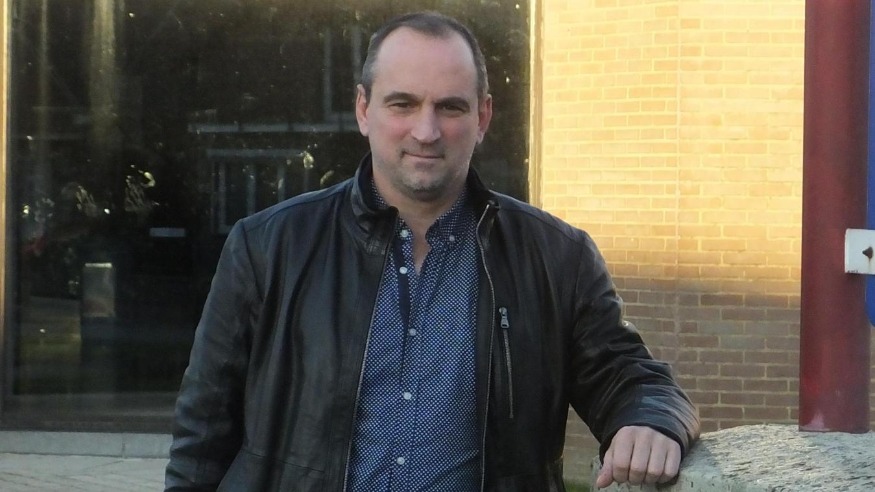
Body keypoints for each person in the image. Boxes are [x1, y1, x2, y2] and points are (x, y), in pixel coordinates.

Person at [165, 11, 699, 492]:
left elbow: (629, 376)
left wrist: (651, 420)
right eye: (403, 104)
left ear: (483, 117)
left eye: (450, 107)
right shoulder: (267, 247)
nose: (426, 130)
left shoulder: (558, 258)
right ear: (363, 109)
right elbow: (202, 435)